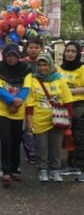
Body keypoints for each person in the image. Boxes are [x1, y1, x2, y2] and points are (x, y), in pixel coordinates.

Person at [0, 43, 32, 184]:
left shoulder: (25, 69)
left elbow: (26, 87)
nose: (11, 58)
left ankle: (15, 168)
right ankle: (5, 170)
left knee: (16, 140)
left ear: (18, 56)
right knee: (4, 140)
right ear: (4, 56)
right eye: (8, 56)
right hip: (1, 110)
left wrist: (17, 103)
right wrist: (12, 101)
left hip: (18, 111)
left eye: (14, 55)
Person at [25, 54, 73, 182]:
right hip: (39, 119)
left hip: (57, 120)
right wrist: (29, 122)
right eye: (40, 65)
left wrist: (69, 118)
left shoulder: (59, 79)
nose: (42, 68)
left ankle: (55, 170)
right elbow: (29, 103)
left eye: (45, 65)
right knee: (41, 147)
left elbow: (67, 100)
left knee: (56, 147)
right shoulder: (33, 80)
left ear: (50, 65)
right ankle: (43, 170)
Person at [58, 41, 84, 181]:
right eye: (68, 51)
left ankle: (82, 169)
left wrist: (70, 91)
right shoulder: (59, 69)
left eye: (73, 51)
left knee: (80, 138)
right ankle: (71, 165)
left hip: (79, 107)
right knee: (68, 137)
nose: (70, 53)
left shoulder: (82, 68)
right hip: (63, 107)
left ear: (77, 53)